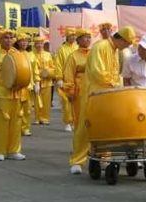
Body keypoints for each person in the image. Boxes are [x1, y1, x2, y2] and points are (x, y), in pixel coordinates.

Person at [71, 26, 136, 173]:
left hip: (108, 93)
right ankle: (77, 161)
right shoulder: (100, 46)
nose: (127, 47)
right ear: (120, 39)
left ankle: (103, 157)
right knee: (85, 125)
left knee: (105, 127)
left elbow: (114, 72)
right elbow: (97, 71)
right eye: (127, 43)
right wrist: (114, 83)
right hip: (93, 93)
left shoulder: (114, 50)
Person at [0, 29, 26, 161]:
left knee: (16, 123)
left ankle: (14, 150)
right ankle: (0, 151)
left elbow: (26, 74)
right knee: (2, 123)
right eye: (5, 38)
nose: (8, 40)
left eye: (11, 38)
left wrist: (24, 90)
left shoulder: (19, 55)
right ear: (0, 40)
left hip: (17, 93)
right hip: (1, 94)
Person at [65, 29, 92, 174]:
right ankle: (77, 160)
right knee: (80, 126)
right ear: (78, 40)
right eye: (84, 37)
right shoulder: (73, 56)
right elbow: (68, 75)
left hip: (94, 92)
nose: (87, 40)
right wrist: (69, 90)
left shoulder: (95, 53)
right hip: (80, 93)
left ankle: (101, 155)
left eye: (89, 37)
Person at [54, 28, 78, 132]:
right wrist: (59, 78)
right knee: (66, 101)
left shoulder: (78, 48)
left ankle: (75, 121)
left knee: (76, 101)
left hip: (77, 79)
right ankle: (68, 122)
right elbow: (58, 64)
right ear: (67, 37)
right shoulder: (62, 49)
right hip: (66, 79)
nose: (72, 37)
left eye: (74, 35)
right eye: (70, 35)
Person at [31, 36, 55, 125]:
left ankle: (45, 118)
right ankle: (37, 118)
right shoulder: (31, 55)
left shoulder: (48, 54)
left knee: (46, 100)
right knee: (37, 100)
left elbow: (53, 67)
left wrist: (48, 72)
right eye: (37, 43)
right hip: (36, 81)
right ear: (34, 44)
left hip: (47, 81)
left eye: (41, 43)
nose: (39, 45)